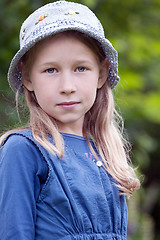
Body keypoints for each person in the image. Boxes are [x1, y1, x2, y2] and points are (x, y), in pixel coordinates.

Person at [0, 1, 140, 239]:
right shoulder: (24, 150)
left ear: (102, 73)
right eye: (51, 70)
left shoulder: (106, 155)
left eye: (81, 68)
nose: (67, 87)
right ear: (28, 78)